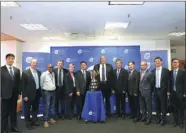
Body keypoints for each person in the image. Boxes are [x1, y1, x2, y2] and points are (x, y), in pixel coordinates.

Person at [1, 53, 21, 133]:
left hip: (14, 95)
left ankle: (13, 127)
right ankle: (4, 129)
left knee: (13, 112)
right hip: (5, 95)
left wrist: (19, 93)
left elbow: (18, 82)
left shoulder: (17, 70)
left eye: (12, 59)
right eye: (9, 58)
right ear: (6, 59)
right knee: (4, 113)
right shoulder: (1, 69)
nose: (11, 60)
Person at [21, 58, 41, 130]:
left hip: (37, 94)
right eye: (33, 63)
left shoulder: (39, 72)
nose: (34, 64)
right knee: (27, 109)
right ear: (30, 63)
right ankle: (28, 123)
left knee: (35, 109)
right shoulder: (25, 73)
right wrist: (24, 95)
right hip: (28, 95)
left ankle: (34, 121)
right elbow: (22, 85)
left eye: (35, 63)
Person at [151, 57, 169, 126]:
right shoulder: (152, 71)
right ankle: (158, 119)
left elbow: (168, 82)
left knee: (163, 106)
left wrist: (168, 91)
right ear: (154, 63)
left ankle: (163, 119)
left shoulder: (166, 71)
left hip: (163, 91)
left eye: (158, 61)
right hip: (155, 90)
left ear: (161, 62)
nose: (157, 62)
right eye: (155, 61)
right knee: (157, 106)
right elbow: (152, 82)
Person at [168, 58, 186, 128]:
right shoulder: (170, 72)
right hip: (172, 94)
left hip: (181, 94)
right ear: (172, 64)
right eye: (174, 62)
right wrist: (168, 91)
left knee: (181, 109)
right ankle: (175, 122)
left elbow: (185, 83)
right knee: (174, 109)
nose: (175, 63)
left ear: (178, 64)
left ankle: (181, 122)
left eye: (176, 62)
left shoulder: (183, 72)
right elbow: (169, 83)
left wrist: (185, 93)